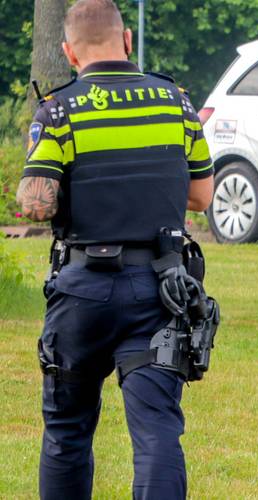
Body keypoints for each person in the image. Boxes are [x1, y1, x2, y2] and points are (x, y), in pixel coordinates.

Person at [15, 0, 213, 497]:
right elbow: (201, 196)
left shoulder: (58, 110)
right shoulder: (176, 103)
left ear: (69, 53)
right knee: (157, 431)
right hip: (160, 291)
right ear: (127, 41)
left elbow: (34, 205)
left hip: (81, 294)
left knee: (66, 431)